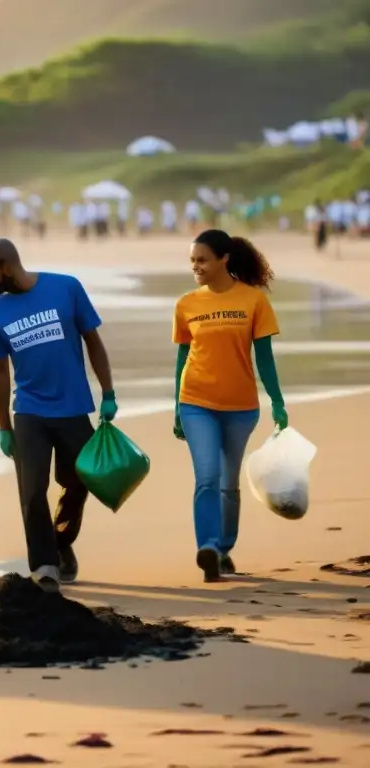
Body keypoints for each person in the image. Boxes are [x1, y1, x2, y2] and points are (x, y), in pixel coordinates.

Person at [0, 239, 117, 593]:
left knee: (79, 481)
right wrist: (4, 426)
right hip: (29, 412)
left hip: (72, 408)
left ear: (6, 267)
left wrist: (109, 392)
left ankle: (61, 539)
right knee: (32, 491)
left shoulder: (66, 287)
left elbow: (93, 342)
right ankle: (44, 566)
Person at [172, 230, 287, 583]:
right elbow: (182, 357)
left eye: (202, 259)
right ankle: (207, 547)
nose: (196, 266)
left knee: (228, 482)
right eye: (192, 260)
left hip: (240, 407)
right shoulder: (187, 303)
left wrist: (278, 403)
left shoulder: (253, 301)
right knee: (206, 477)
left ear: (224, 259)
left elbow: (264, 359)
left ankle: (223, 547)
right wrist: (177, 406)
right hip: (196, 403)